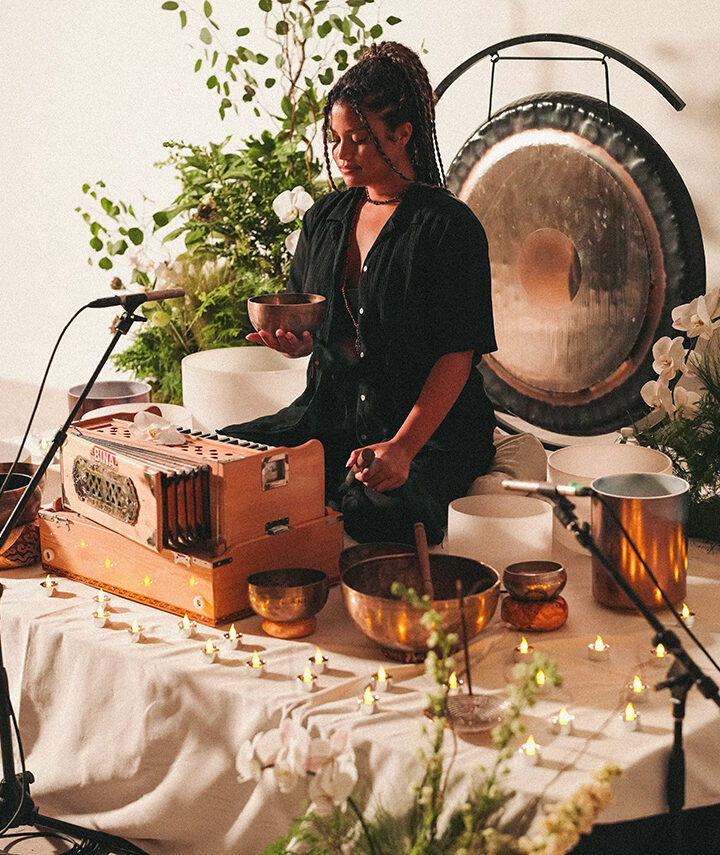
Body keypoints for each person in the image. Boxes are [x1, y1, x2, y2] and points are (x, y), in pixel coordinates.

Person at [222, 41, 497, 545]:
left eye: (358, 139)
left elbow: (458, 356)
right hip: (330, 418)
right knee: (224, 461)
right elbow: (310, 319)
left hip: (426, 435)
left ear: (402, 135)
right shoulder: (323, 219)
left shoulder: (448, 228)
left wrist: (402, 448)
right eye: (335, 138)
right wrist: (296, 342)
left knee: (374, 512)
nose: (341, 154)